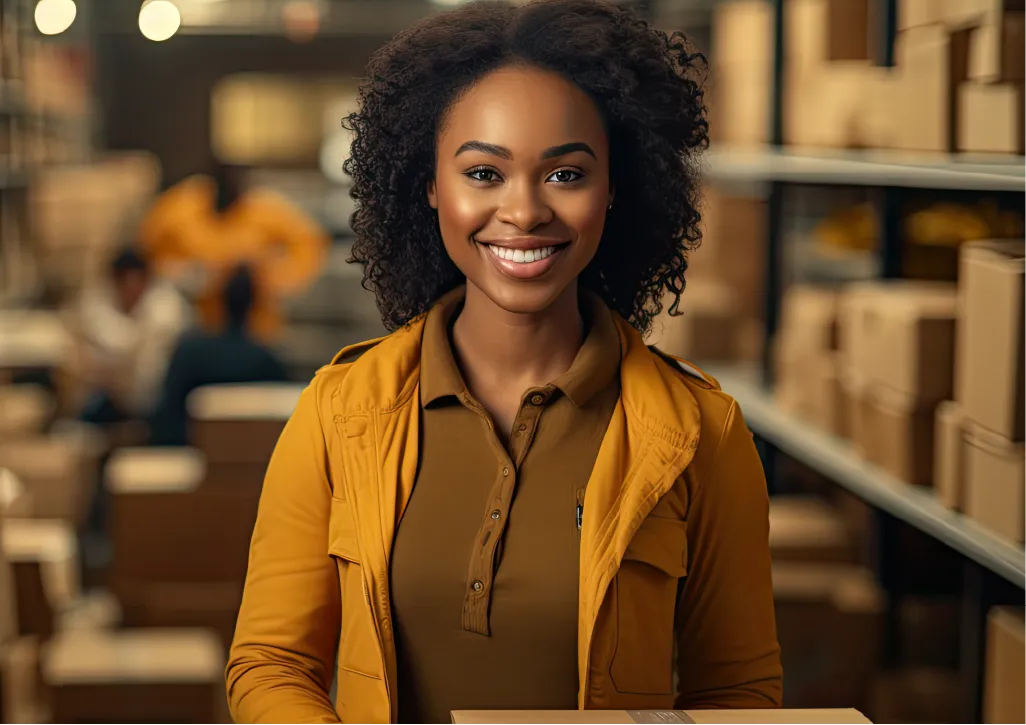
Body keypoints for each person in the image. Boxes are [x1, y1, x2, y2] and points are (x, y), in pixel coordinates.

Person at [227, 1, 782, 723]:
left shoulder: (701, 434)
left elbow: (739, 695)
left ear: (615, 187)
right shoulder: (339, 410)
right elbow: (271, 664)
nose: (523, 212)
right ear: (429, 184)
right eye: (484, 173)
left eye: (565, 175)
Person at [137, 157, 331, 343]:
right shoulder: (184, 205)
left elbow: (310, 241)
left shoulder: (264, 208)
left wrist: (276, 279)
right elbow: (148, 244)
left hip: (256, 323)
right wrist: (177, 273)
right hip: (199, 319)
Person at [149, 264, 289, 447]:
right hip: (248, 458)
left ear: (218, 301)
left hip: (192, 453)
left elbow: (167, 419)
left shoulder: (189, 352)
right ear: (254, 305)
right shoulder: (267, 361)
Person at [75, 248, 191, 426]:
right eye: (126, 282)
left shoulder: (167, 307)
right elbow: (113, 354)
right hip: (109, 400)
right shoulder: (95, 309)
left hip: (158, 402)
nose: (133, 288)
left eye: (138, 281)